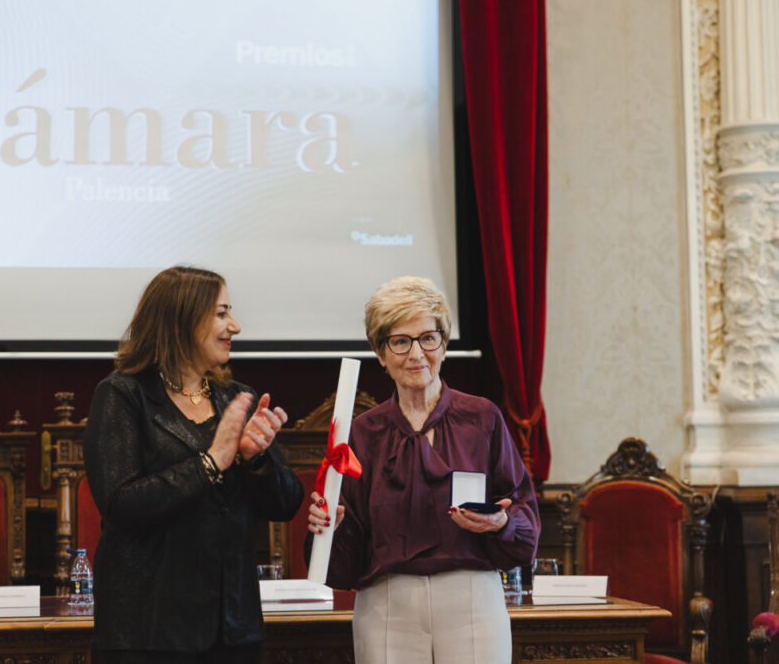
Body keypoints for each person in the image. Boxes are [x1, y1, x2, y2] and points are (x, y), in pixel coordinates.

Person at [307, 276, 540, 663]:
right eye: (400, 341)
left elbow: (526, 522)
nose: (417, 353)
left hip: (472, 602)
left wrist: (501, 523)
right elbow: (343, 565)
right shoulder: (361, 434)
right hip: (385, 606)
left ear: (443, 345)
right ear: (381, 354)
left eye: (428, 338)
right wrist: (331, 526)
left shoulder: (483, 418)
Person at [83, 266, 304, 664]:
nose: (234, 326)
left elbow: (285, 505)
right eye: (221, 313)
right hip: (146, 631)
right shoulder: (122, 395)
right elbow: (120, 505)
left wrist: (255, 460)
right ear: (181, 318)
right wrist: (210, 463)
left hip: (232, 629)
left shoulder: (237, 398)